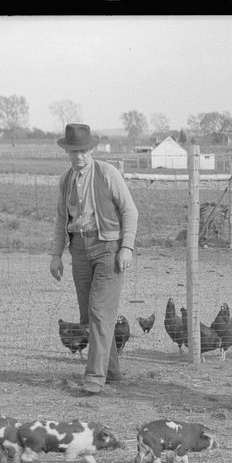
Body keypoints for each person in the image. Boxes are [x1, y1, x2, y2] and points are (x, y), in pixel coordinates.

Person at [49, 123, 139, 394]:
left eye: (83, 150)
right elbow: (60, 221)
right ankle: (111, 371)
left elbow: (130, 212)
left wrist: (127, 248)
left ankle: (94, 378)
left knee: (100, 312)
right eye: (73, 151)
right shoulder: (65, 180)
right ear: (66, 151)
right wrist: (56, 255)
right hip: (78, 250)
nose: (79, 156)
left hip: (108, 250)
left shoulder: (107, 173)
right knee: (91, 316)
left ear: (92, 149)